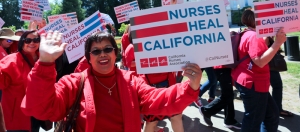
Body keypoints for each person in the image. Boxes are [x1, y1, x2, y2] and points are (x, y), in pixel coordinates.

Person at [21, 31, 202, 132]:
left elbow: (157, 98)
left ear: (115, 54)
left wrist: (190, 86)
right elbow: (41, 108)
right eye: (96, 51)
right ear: (88, 58)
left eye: (108, 49)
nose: (103, 54)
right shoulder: (73, 83)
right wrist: (45, 62)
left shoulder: (131, 80)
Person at [231, 9, 286, 132]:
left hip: (253, 83)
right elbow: (260, 61)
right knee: (253, 120)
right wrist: (277, 43)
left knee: (271, 115)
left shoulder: (248, 33)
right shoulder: (253, 36)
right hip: (254, 84)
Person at [0, 30, 43, 132]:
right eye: (27, 40)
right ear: (21, 42)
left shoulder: (44, 59)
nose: (32, 43)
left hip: (36, 114)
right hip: (17, 116)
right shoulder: (11, 61)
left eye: (36, 40)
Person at [199, 65, 241, 129]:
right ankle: (206, 111)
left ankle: (229, 120)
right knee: (227, 95)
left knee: (228, 94)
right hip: (223, 67)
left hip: (223, 67)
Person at [264, 36, 293, 117]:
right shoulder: (265, 36)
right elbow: (266, 48)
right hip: (269, 66)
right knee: (276, 87)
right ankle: (276, 109)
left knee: (273, 87)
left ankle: (275, 109)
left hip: (268, 65)